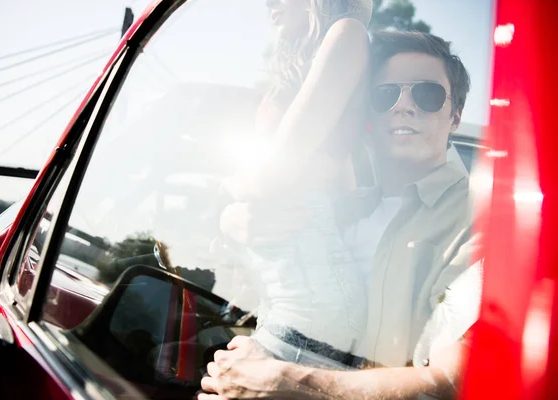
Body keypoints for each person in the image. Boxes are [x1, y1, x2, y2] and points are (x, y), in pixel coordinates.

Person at [201, 30, 482, 399]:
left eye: (427, 94)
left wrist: (284, 381)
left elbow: (449, 377)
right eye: (386, 94)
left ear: (456, 115)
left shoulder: (480, 221)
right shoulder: (342, 207)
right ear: (369, 114)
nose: (404, 105)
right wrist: (231, 223)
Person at [220, 0, 376, 367]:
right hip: (292, 293)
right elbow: (342, 185)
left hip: (310, 302)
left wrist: (230, 189)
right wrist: (232, 215)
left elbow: (272, 174)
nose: (268, 4)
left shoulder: (347, 32)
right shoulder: (305, 58)